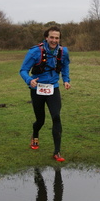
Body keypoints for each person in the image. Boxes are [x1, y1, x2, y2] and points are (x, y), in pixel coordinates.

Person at [19, 25, 71, 162]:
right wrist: (29, 80)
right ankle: (35, 134)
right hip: (37, 89)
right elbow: (23, 70)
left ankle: (57, 152)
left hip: (53, 88)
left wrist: (66, 80)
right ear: (46, 38)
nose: (54, 40)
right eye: (52, 37)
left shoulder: (63, 52)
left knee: (56, 117)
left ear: (59, 39)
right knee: (40, 120)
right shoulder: (35, 52)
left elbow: (65, 65)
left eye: (57, 38)